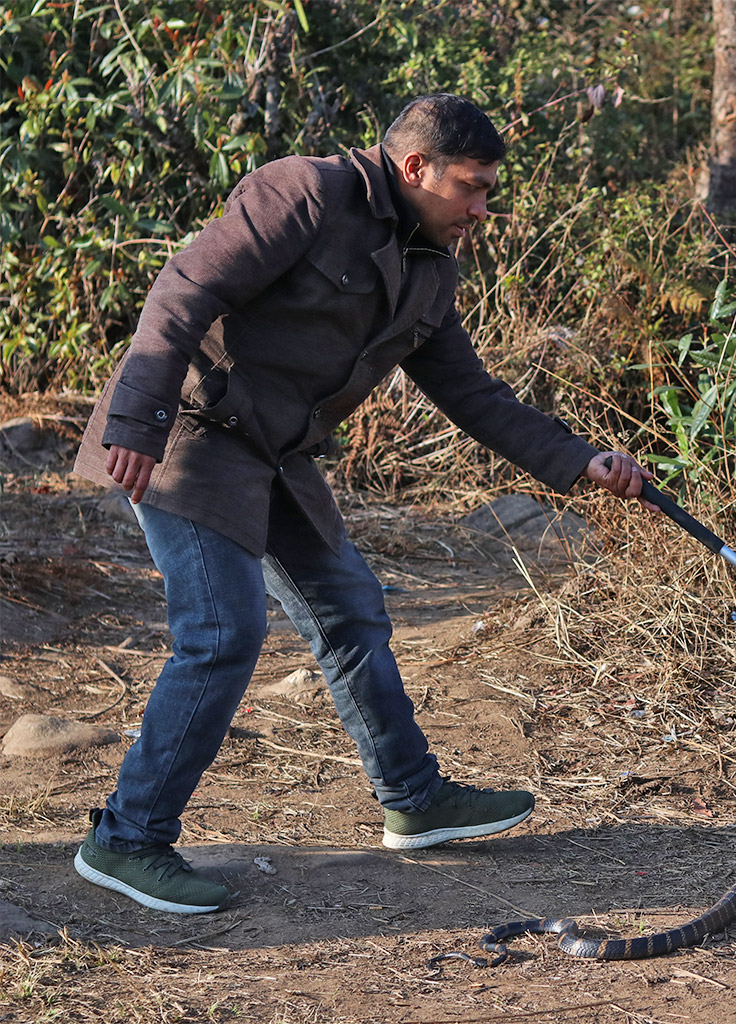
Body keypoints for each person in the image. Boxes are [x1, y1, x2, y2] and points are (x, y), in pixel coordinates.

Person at [70, 94, 651, 914]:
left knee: (349, 610)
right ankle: (125, 839)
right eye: (473, 187)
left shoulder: (432, 270)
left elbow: (472, 396)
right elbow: (183, 289)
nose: (483, 208)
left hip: (275, 457)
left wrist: (580, 460)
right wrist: (136, 418)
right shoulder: (303, 192)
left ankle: (414, 801)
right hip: (189, 438)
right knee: (222, 634)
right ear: (416, 168)